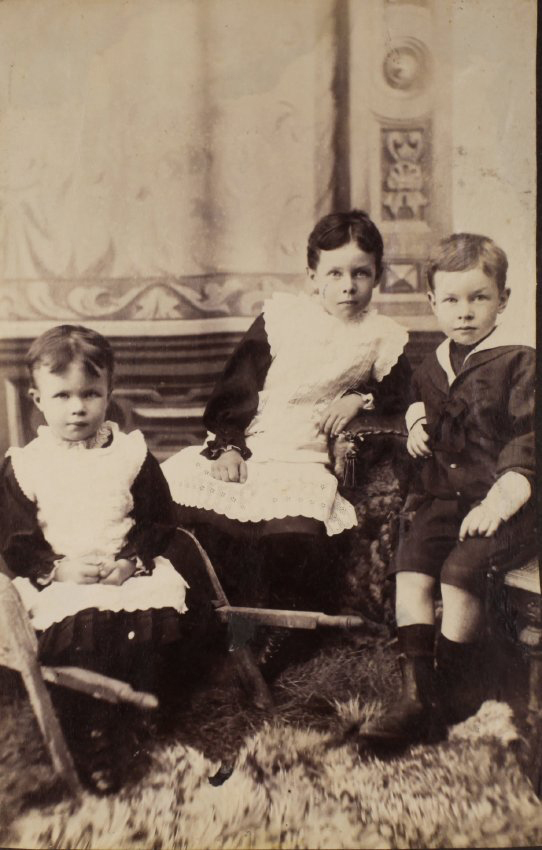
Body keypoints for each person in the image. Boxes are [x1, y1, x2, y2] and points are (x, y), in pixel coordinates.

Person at [0, 325, 225, 794]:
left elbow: (158, 521)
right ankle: (93, 734)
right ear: (38, 399)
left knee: (151, 622)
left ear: (110, 394)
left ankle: (141, 716)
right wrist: (57, 569)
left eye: (90, 393)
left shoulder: (129, 454)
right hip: (63, 578)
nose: (77, 407)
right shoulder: (27, 463)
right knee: (83, 632)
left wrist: (131, 562)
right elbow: (15, 540)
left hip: (126, 572)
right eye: (62, 396)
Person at [162, 210, 411, 615]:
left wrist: (359, 398)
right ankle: (206, 615)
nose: (348, 287)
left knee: (297, 537)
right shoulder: (282, 319)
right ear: (312, 276)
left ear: (377, 275)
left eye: (360, 274)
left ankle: (280, 626)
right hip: (253, 444)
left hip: (305, 457)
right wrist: (229, 446)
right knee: (181, 502)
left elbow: (401, 391)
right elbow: (236, 386)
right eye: (334, 274)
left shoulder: (383, 336)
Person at [359, 233, 536, 747]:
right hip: (446, 498)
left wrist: (502, 499)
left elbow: (529, 437)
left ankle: (455, 694)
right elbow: (420, 398)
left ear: (503, 299)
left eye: (479, 297)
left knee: (460, 572)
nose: (465, 312)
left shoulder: (519, 362)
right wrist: (416, 423)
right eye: (452, 300)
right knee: (411, 566)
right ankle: (417, 695)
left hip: (508, 502)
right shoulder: (432, 362)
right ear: (432, 302)